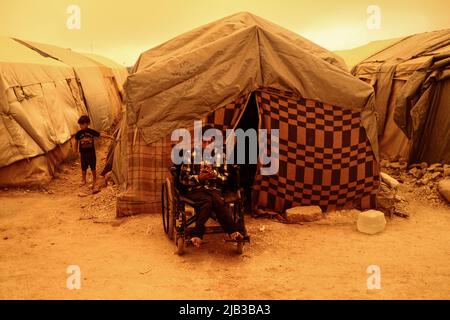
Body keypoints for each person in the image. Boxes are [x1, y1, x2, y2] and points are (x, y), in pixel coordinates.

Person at [178, 128, 244, 248]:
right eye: (204, 142)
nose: (207, 145)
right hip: (196, 190)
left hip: (214, 189)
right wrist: (198, 177)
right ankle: (233, 231)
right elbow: (183, 178)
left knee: (211, 201)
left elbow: (225, 178)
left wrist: (215, 175)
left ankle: (197, 235)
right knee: (212, 201)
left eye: (210, 142)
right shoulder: (190, 155)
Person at [74, 115, 111, 187]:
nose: (80, 126)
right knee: (83, 167)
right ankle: (83, 180)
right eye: (80, 125)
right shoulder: (79, 133)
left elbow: (100, 134)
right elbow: (76, 142)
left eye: (82, 124)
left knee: (93, 166)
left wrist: (109, 137)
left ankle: (94, 179)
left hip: (91, 153)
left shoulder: (91, 131)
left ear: (87, 124)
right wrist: (75, 151)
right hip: (83, 154)